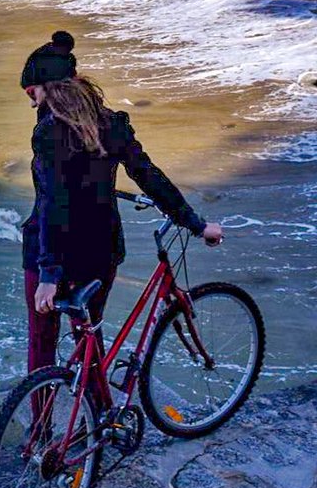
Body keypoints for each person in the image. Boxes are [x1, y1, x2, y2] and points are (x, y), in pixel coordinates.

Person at [20, 31, 223, 372]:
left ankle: (40, 425)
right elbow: (148, 174)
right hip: (100, 251)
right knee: (89, 335)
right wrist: (196, 225)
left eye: (32, 93)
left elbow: (54, 201)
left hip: (48, 251)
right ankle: (101, 415)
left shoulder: (48, 133)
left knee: (43, 341)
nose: (31, 103)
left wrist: (49, 275)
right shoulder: (113, 124)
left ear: (48, 89)